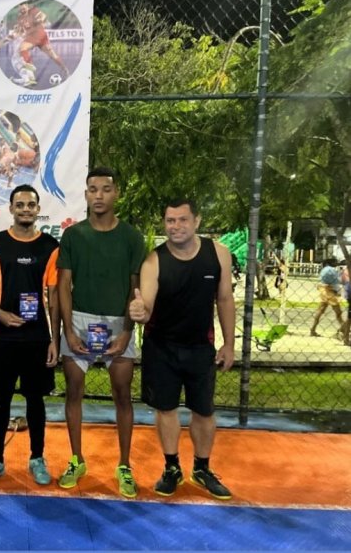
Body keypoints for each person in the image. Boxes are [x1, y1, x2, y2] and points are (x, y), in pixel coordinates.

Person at [129, 198, 235, 500]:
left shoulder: (219, 254)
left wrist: (229, 344)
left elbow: (225, 299)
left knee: (204, 410)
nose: (176, 226)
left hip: (201, 347)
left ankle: (202, 468)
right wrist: (139, 310)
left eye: (182, 220)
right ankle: (172, 467)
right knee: (166, 409)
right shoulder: (154, 261)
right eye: (170, 221)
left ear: (197, 221)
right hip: (161, 347)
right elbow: (145, 304)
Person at [56, 167, 145, 498]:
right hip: (79, 320)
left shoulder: (132, 237)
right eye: (92, 189)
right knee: (73, 392)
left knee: (122, 394)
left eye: (105, 189)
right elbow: (63, 285)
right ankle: (76, 459)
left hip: (118, 322)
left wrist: (126, 330)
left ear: (116, 193)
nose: (98, 195)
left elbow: (136, 290)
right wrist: (69, 328)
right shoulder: (74, 235)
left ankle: (124, 464)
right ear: (86, 194)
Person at [0, 185, 60, 487]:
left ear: (38, 209)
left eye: (31, 205)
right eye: (20, 204)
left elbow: (54, 296)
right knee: (1, 400)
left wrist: (55, 339)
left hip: (37, 338)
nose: (26, 209)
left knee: (36, 401)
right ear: (10, 208)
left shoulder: (50, 246)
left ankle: (37, 457)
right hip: (3, 338)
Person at [16, 2, 69, 78]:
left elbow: (43, 15)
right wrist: (20, 34)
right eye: (21, 9)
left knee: (52, 54)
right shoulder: (20, 18)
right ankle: (30, 73)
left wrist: (41, 19)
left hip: (40, 35)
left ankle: (64, 69)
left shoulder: (33, 10)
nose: (22, 10)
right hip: (30, 38)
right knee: (22, 48)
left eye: (24, 8)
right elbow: (21, 30)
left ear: (27, 6)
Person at [309, 258, 344, 338]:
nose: (337, 263)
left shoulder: (324, 269)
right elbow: (336, 281)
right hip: (329, 291)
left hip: (323, 290)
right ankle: (344, 329)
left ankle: (313, 329)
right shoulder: (332, 270)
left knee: (320, 310)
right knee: (338, 312)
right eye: (335, 262)